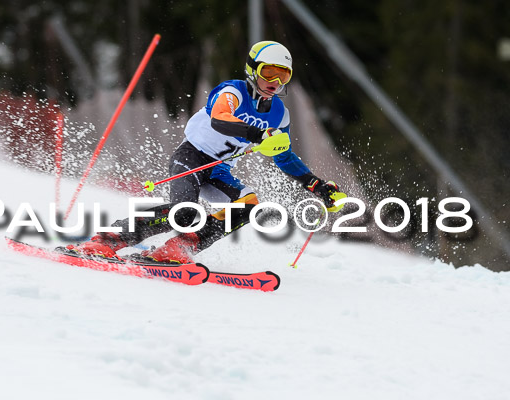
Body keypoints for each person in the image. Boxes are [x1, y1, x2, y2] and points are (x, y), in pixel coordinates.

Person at [67, 40, 341, 263]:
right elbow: (220, 119)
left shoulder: (280, 114)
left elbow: (284, 156)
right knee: (185, 212)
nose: (275, 81)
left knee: (248, 206)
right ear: (253, 70)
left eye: (283, 75)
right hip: (192, 157)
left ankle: (182, 246)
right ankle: (110, 239)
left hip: (219, 169)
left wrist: (317, 186)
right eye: (269, 72)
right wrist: (257, 135)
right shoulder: (232, 91)